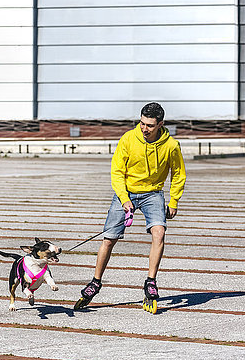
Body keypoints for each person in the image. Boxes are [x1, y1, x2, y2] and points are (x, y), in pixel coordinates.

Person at [75, 102, 186, 310]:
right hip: (125, 192)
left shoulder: (171, 145)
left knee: (159, 233)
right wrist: (124, 199)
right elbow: (116, 171)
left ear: (160, 124)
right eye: (142, 123)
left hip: (153, 193)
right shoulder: (128, 139)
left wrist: (174, 200)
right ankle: (95, 282)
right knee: (109, 240)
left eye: (150, 125)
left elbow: (178, 173)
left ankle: (150, 282)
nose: (144, 129)